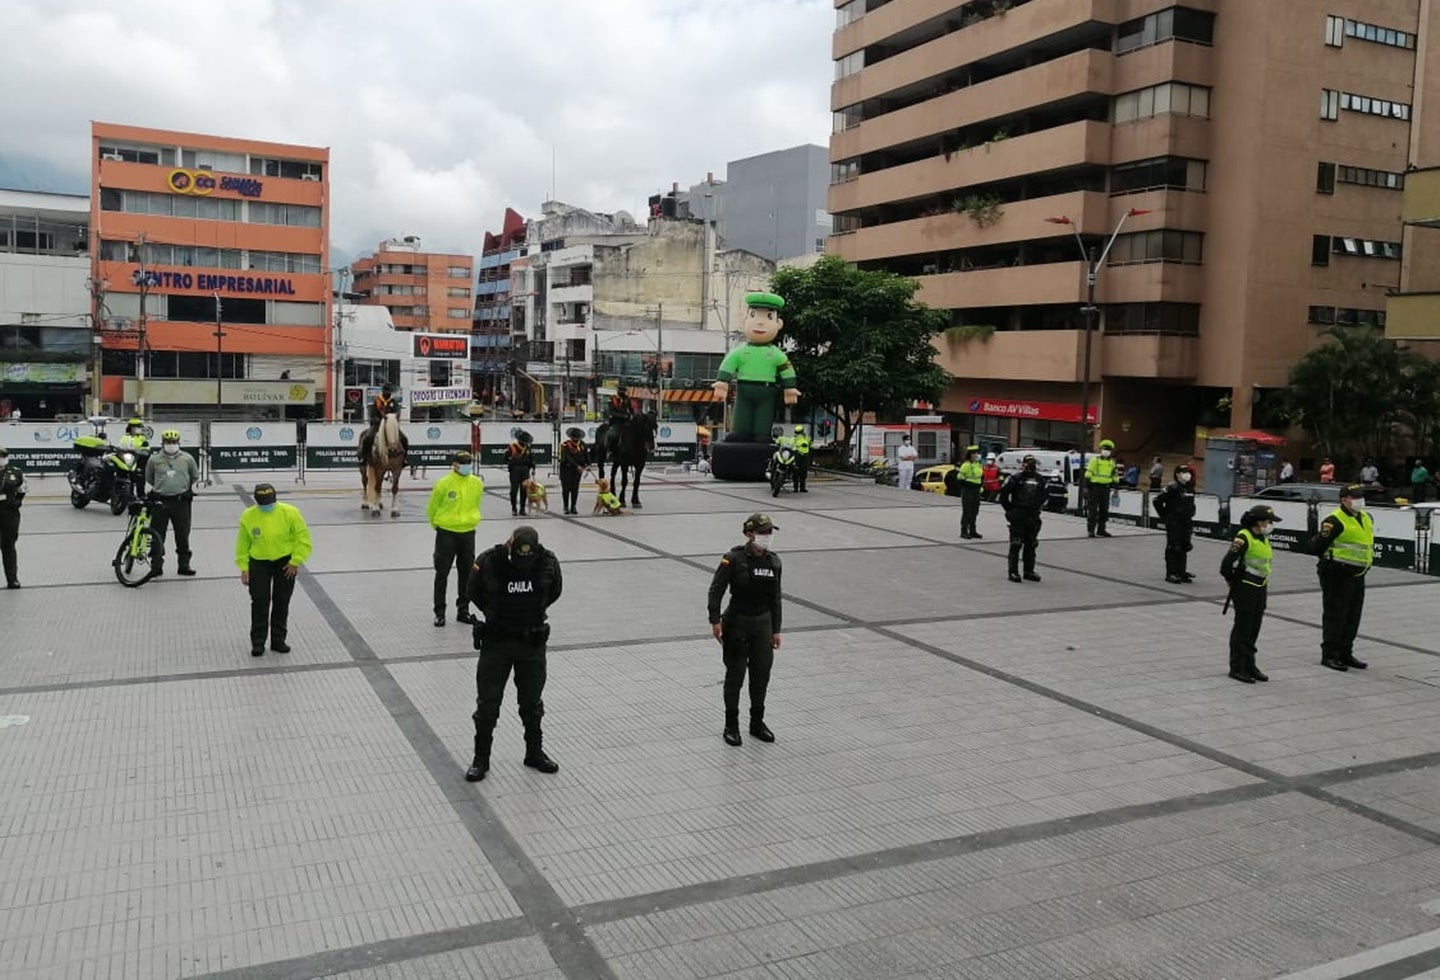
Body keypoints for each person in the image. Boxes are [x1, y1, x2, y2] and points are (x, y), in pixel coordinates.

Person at [464, 525, 563, 782]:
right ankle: (481, 758)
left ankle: (534, 752)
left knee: (532, 703)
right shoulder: (489, 560)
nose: (523, 564)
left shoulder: (548, 562)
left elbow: (554, 592)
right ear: (510, 545)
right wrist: (495, 614)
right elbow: (472, 591)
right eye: (518, 558)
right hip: (497, 643)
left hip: (531, 644)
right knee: (487, 704)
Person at [707, 514, 784, 746]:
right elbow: (716, 590)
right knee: (735, 676)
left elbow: (776, 597)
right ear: (750, 534)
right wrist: (715, 621)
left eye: (770, 532)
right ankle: (731, 725)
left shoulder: (774, 562)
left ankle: (757, 722)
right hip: (737, 624)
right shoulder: (733, 559)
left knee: (761, 676)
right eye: (763, 532)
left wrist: (776, 630)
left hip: (763, 625)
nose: (767, 537)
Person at [234, 483, 312, 657]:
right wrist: (243, 567)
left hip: (285, 562)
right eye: (263, 503)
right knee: (259, 600)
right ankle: (258, 642)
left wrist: (295, 561)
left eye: (269, 502)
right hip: (259, 562)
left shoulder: (290, 513)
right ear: (256, 501)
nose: (267, 506)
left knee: (281, 600)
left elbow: (303, 538)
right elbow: (242, 544)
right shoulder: (249, 516)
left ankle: (278, 640)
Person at [710, 293, 800, 442]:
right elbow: (728, 364)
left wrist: (789, 388)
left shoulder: (776, 354)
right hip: (744, 389)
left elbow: (786, 369)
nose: (760, 323)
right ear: (745, 321)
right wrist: (722, 382)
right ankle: (740, 432)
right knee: (741, 412)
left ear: (779, 323)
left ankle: (762, 434)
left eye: (769, 317)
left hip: (767, 391)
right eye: (753, 315)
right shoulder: (741, 351)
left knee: (764, 414)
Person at [1309, 484, 1373, 672]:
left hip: (1357, 574)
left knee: (1353, 615)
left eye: (1361, 496)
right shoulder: (1334, 521)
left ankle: (1346, 652)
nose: (1360, 500)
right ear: (1344, 499)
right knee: (1336, 614)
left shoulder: (1364, 517)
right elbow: (1315, 547)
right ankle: (1330, 654)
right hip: (1337, 574)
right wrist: (1333, 563)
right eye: (1356, 497)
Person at [1220, 505, 1280, 684]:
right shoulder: (1243, 537)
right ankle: (1237, 667)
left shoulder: (1262, 537)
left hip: (1260, 586)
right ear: (1258, 521)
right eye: (1268, 521)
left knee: (1254, 627)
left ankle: (1250, 664)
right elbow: (1225, 565)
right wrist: (1234, 581)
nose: (1270, 524)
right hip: (1245, 587)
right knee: (1243, 628)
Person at [427, 451, 484, 628]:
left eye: (469, 462)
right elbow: (432, 507)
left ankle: (463, 610)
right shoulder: (443, 483)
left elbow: (476, 504)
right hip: (447, 532)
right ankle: (439, 612)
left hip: (468, 531)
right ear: (455, 465)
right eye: (463, 463)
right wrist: (437, 525)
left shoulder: (476, 483)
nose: (467, 466)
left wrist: (472, 519)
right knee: (442, 572)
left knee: (466, 573)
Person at [144, 429, 200, 577]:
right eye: (168, 442)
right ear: (162, 443)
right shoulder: (154, 459)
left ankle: (184, 565)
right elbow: (149, 478)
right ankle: (156, 565)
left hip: (181, 502)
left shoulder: (187, 458)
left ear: (179, 443)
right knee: (157, 535)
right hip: (160, 502)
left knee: (182, 535)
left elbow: (194, 476)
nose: (171, 445)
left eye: (174, 442)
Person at [997, 454, 1047, 583]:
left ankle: (1028, 571)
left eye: (1031, 464)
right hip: (1018, 515)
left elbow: (1044, 495)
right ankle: (1013, 572)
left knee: (1031, 544)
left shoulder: (1040, 479)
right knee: (1016, 543)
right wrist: (1011, 511)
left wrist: (1037, 508)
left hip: (1033, 516)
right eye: (1027, 463)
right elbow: (1003, 495)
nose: (1028, 466)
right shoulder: (1015, 478)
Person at [1152, 463, 1196, 584]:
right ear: (1177, 475)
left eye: (1188, 473)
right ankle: (1171, 573)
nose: (1187, 475)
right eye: (1184, 473)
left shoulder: (1189, 488)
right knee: (1174, 546)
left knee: (1184, 545)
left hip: (1186, 521)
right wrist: (1165, 515)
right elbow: (1157, 501)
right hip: (1174, 522)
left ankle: (1181, 572)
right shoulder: (1172, 487)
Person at [0, 447, 27, 589]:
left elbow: (23, 489)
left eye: (3, 456)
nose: (1, 458)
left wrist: (17, 502)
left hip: (8, 512)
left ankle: (12, 578)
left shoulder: (15, 472)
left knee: (8, 545)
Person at [1085, 438, 1120, 537]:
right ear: (1101, 450)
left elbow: (1115, 475)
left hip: (1106, 488)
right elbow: (1088, 473)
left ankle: (1101, 529)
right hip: (1095, 488)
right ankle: (1091, 530)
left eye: (1108, 450)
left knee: (1104, 510)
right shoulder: (1095, 461)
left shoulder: (1112, 462)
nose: (1106, 452)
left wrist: (1116, 487)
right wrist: (1086, 487)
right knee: (1093, 510)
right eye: (1105, 449)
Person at [558, 427, 589, 515]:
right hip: (566, 469)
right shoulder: (565, 445)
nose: (576, 439)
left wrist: (588, 464)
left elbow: (586, 455)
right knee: (566, 489)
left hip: (577, 471)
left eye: (577, 438)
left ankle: (573, 506)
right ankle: (566, 506)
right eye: (574, 438)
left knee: (575, 488)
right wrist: (577, 466)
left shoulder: (582, 445)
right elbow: (567, 458)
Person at [504, 431, 535, 516]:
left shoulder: (528, 448)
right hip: (515, 471)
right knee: (514, 490)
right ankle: (514, 508)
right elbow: (505, 458)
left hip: (525, 471)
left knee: (524, 490)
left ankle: (522, 508)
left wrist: (533, 466)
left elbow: (531, 459)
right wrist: (512, 462)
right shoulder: (512, 447)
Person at [956, 445, 984, 539]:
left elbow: (980, 476)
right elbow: (960, 479)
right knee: (967, 511)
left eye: (977, 453)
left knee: (975, 511)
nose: (977, 455)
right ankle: (964, 531)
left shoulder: (977, 464)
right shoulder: (966, 465)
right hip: (968, 490)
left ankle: (973, 530)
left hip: (976, 490)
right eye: (975, 453)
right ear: (970, 455)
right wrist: (969, 484)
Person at [791, 425, 811, 492]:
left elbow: (810, 443)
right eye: (797, 432)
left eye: (799, 432)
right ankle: (795, 488)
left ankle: (802, 488)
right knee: (796, 472)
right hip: (797, 455)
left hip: (805, 456)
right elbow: (791, 444)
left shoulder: (806, 437)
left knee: (804, 472)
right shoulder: (795, 438)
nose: (799, 433)